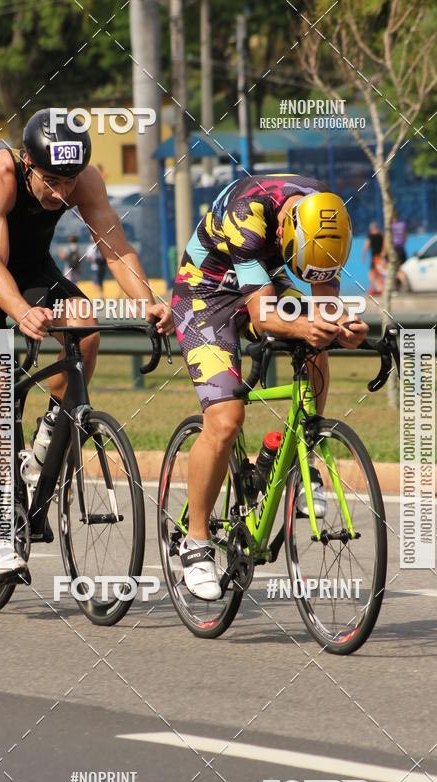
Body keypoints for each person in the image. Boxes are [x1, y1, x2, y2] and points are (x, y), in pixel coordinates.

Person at [0, 107, 171, 572]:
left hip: (32, 269)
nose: (60, 192)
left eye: (68, 180)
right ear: (27, 161)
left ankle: (50, 431)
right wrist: (23, 312)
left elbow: (115, 247)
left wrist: (147, 300)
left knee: (84, 325)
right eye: (51, 179)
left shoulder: (83, 179)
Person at [171, 174, 368, 600]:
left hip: (259, 279)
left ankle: (302, 445)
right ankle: (197, 541)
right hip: (205, 293)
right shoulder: (250, 215)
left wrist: (342, 327)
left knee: (318, 340)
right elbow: (262, 317)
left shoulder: (326, 220)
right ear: (284, 230)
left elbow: (324, 304)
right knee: (225, 421)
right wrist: (309, 324)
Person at [362, 221, 385, 296]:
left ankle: (378, 289)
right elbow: (385, 245)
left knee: (374, 274)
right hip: (379, 258)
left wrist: (363, 257)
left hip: (376, 258)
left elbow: (366, 246)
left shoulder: (371, 236)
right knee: (377, 273)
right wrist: (383, 253)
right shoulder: (381, 235)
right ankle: (376, 288)